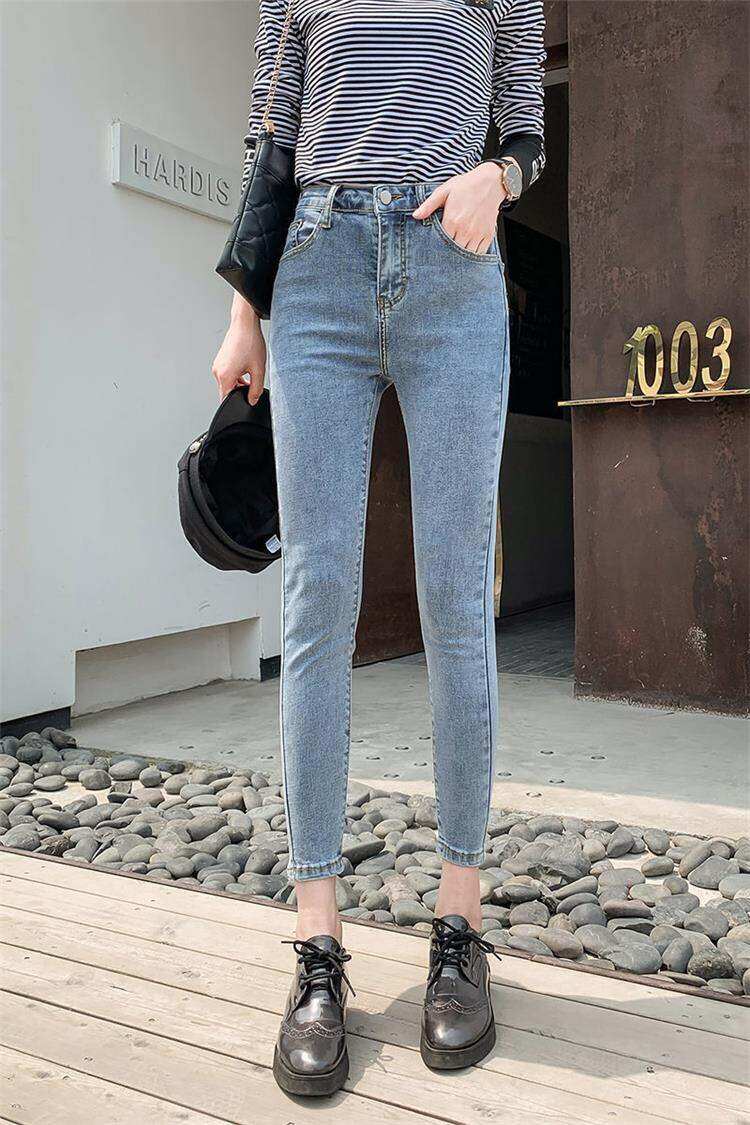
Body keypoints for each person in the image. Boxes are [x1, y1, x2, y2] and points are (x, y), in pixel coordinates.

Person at [211, 0, 545, 1096]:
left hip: (457, 267)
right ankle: (318, 947)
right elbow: (273, 137)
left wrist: (500, 178)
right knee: (319, 600)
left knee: (454, 598)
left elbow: (525, 124)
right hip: (318, 269)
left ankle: (459, 930)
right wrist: (244, 315)